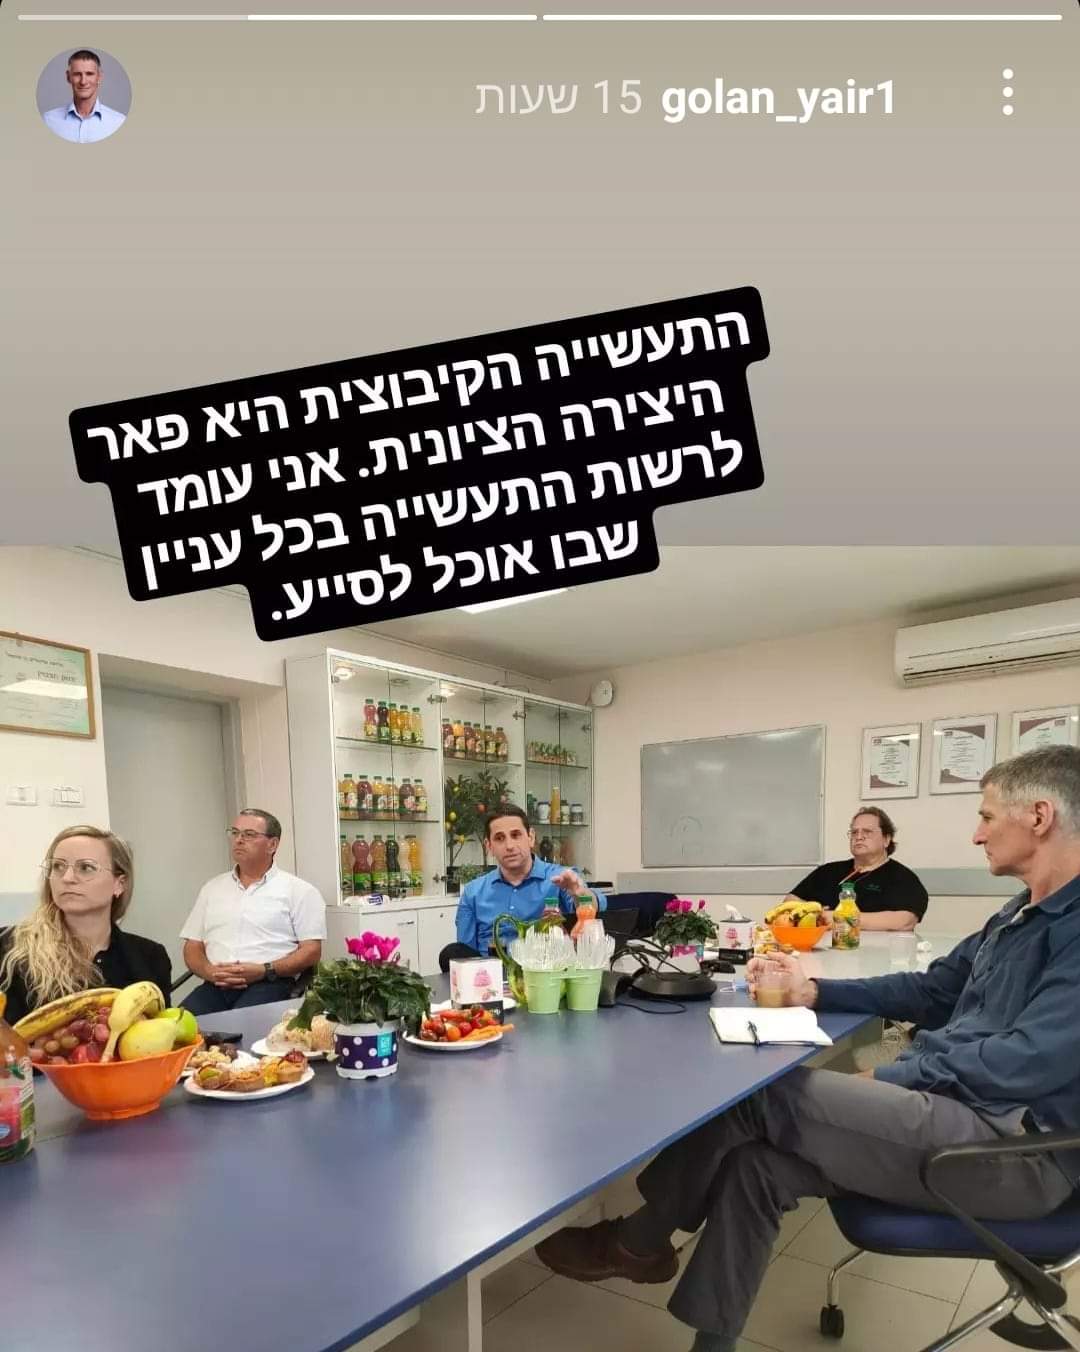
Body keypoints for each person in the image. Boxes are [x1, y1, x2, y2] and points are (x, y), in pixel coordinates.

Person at [536, 745, 1080, 1352]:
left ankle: (637, 1241)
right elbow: (931, 990)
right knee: (754, 1168)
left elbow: (1028, 1060)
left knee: (754, 1096)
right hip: (956, 1115)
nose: (977, 834)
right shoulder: (1017, 914)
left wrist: (893, 1078)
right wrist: (815, 991)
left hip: (1013, 1152)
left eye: (987, 816)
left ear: (1038, 817)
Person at [0, 825, 171, 1026]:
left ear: (119, 883)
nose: (67, 878)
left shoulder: (150, 958)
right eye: (58, 866)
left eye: (86, 868)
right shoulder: (8, 946)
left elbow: (162, 1035)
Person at [179, 809, 326, 1015]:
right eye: (235, 833)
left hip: (270, 983)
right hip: (216, 984)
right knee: (176, 1026)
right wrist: (209, 971)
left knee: (239, 1027)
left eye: (249, 834)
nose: (239, 840)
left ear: (272, 845)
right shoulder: (212, 888)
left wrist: (265, 970)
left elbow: (311, 951)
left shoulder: (300, 891)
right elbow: (192, 946)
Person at [442, 805, 607, 967]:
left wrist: (579, 893)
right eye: (499, 838)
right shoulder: (473, 892)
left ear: (531, 837)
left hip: (545, 973)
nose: (509, 846)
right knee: (451, 953)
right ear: (489, 846)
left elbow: (595, 907)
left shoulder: (561, 878)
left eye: (516, 835)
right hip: (490, 977)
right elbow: (464, 957)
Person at [778, 805, 928, 931]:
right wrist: (815, 914)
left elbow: (905, 921)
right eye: (854, 832)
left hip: (876, 952)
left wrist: (840, 918)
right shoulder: (827, 871)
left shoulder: (902, 877)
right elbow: (789, 902)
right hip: (821, 949)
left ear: (886, 839)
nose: (859, 837)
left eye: (867, 832)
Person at [42, 50, 126, 145]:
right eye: (77, 74)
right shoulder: (48, 121)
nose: (83, 81)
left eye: (89, 74)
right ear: (68, 77)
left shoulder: (118, 122)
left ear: (99, 77)